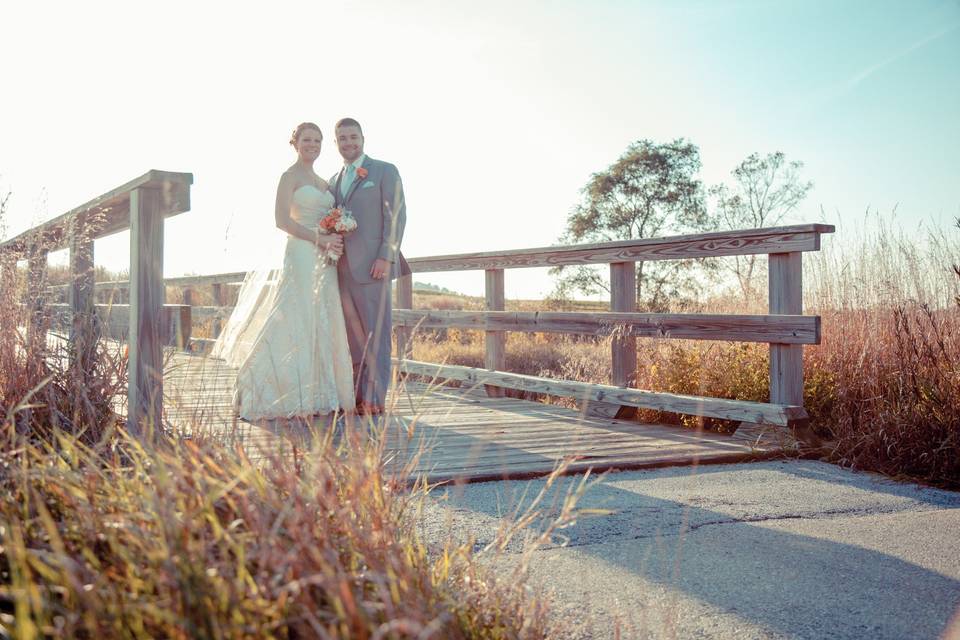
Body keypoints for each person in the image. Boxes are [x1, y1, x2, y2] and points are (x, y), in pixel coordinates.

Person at [212, 122, 355, 422]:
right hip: (302, 253)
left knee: (322, 316)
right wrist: (319, 238)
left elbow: (329, 218)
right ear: (295, 143)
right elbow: (281, 221)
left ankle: (321, 392)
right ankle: (267, 386)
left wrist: (333, 239)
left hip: (324, 256)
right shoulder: (289, 177)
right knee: (296, 313)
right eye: (307, 140)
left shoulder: (323, 182)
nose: (312, 145)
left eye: (317, 140)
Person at [330, 117, 409, 415]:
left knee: (376, 334)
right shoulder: (334, 180)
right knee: (352, 339)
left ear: (363, 138)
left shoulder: (384, 171)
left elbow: (396, 215)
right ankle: (357, 397)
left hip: (374, 267)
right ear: (336, 142)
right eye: (342, 138)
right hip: (341, 269)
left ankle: (375, 399)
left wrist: (386, 256)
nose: (348, 143)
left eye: (353, 137)